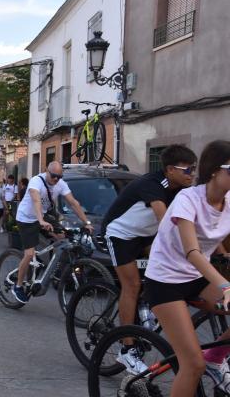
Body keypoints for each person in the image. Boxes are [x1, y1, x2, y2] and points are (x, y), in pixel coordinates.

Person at [143, 140, 230, 396]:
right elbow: (192, 252)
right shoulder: (187, 199)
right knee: (192, 364)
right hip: (165, 281)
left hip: (196, 278)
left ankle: (216, 357)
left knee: (204, 361)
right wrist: (225, 285)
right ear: (215, 171)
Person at [102, 144, 197, 373]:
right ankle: (127, 350)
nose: (192, 174)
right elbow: (165, 220)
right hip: (121, 234)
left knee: (162, 276)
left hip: (146, 236)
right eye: (187, 170)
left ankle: (145, 316)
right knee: (132, 285)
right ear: (169, 170)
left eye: (194, 169)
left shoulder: (182, 189)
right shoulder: (152, 184)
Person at [12, 161, 94, 303]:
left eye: (59, 177)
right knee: (29, 253)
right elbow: (36, 200)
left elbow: (73, 203)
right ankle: (18, 286)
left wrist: (86, 223)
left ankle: (51, 267)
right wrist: (41, 220)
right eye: (54, 176)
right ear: (46, 171)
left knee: (64, 238)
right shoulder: (36, 181)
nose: (56, 179)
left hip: (43, 216)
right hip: (27, 218)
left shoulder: (60, 184)